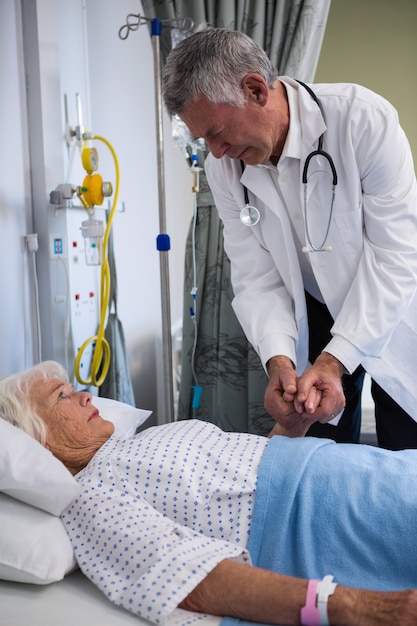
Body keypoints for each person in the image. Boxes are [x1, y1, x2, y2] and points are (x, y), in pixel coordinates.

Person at [1, 361, 417, 626]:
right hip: (324, 514)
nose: (87, 395)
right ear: (39, 442)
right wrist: (361, 609)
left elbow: (233, 484)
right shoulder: (89, 498)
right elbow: (195, 580)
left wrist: (289, 429)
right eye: (63, 397)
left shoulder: (125, 449)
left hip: (350, 472)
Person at [162, 26, 417, 450]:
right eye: (205, 139)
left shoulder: (361, 120)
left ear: (256, 89)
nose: (217, 151)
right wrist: (279, 357)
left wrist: (336, 361)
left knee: (406, 457)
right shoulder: (224, 170)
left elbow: (395, 256)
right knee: (319, 458)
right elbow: (256, 276)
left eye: (218, 131)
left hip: (399, 304)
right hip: (314, 308)